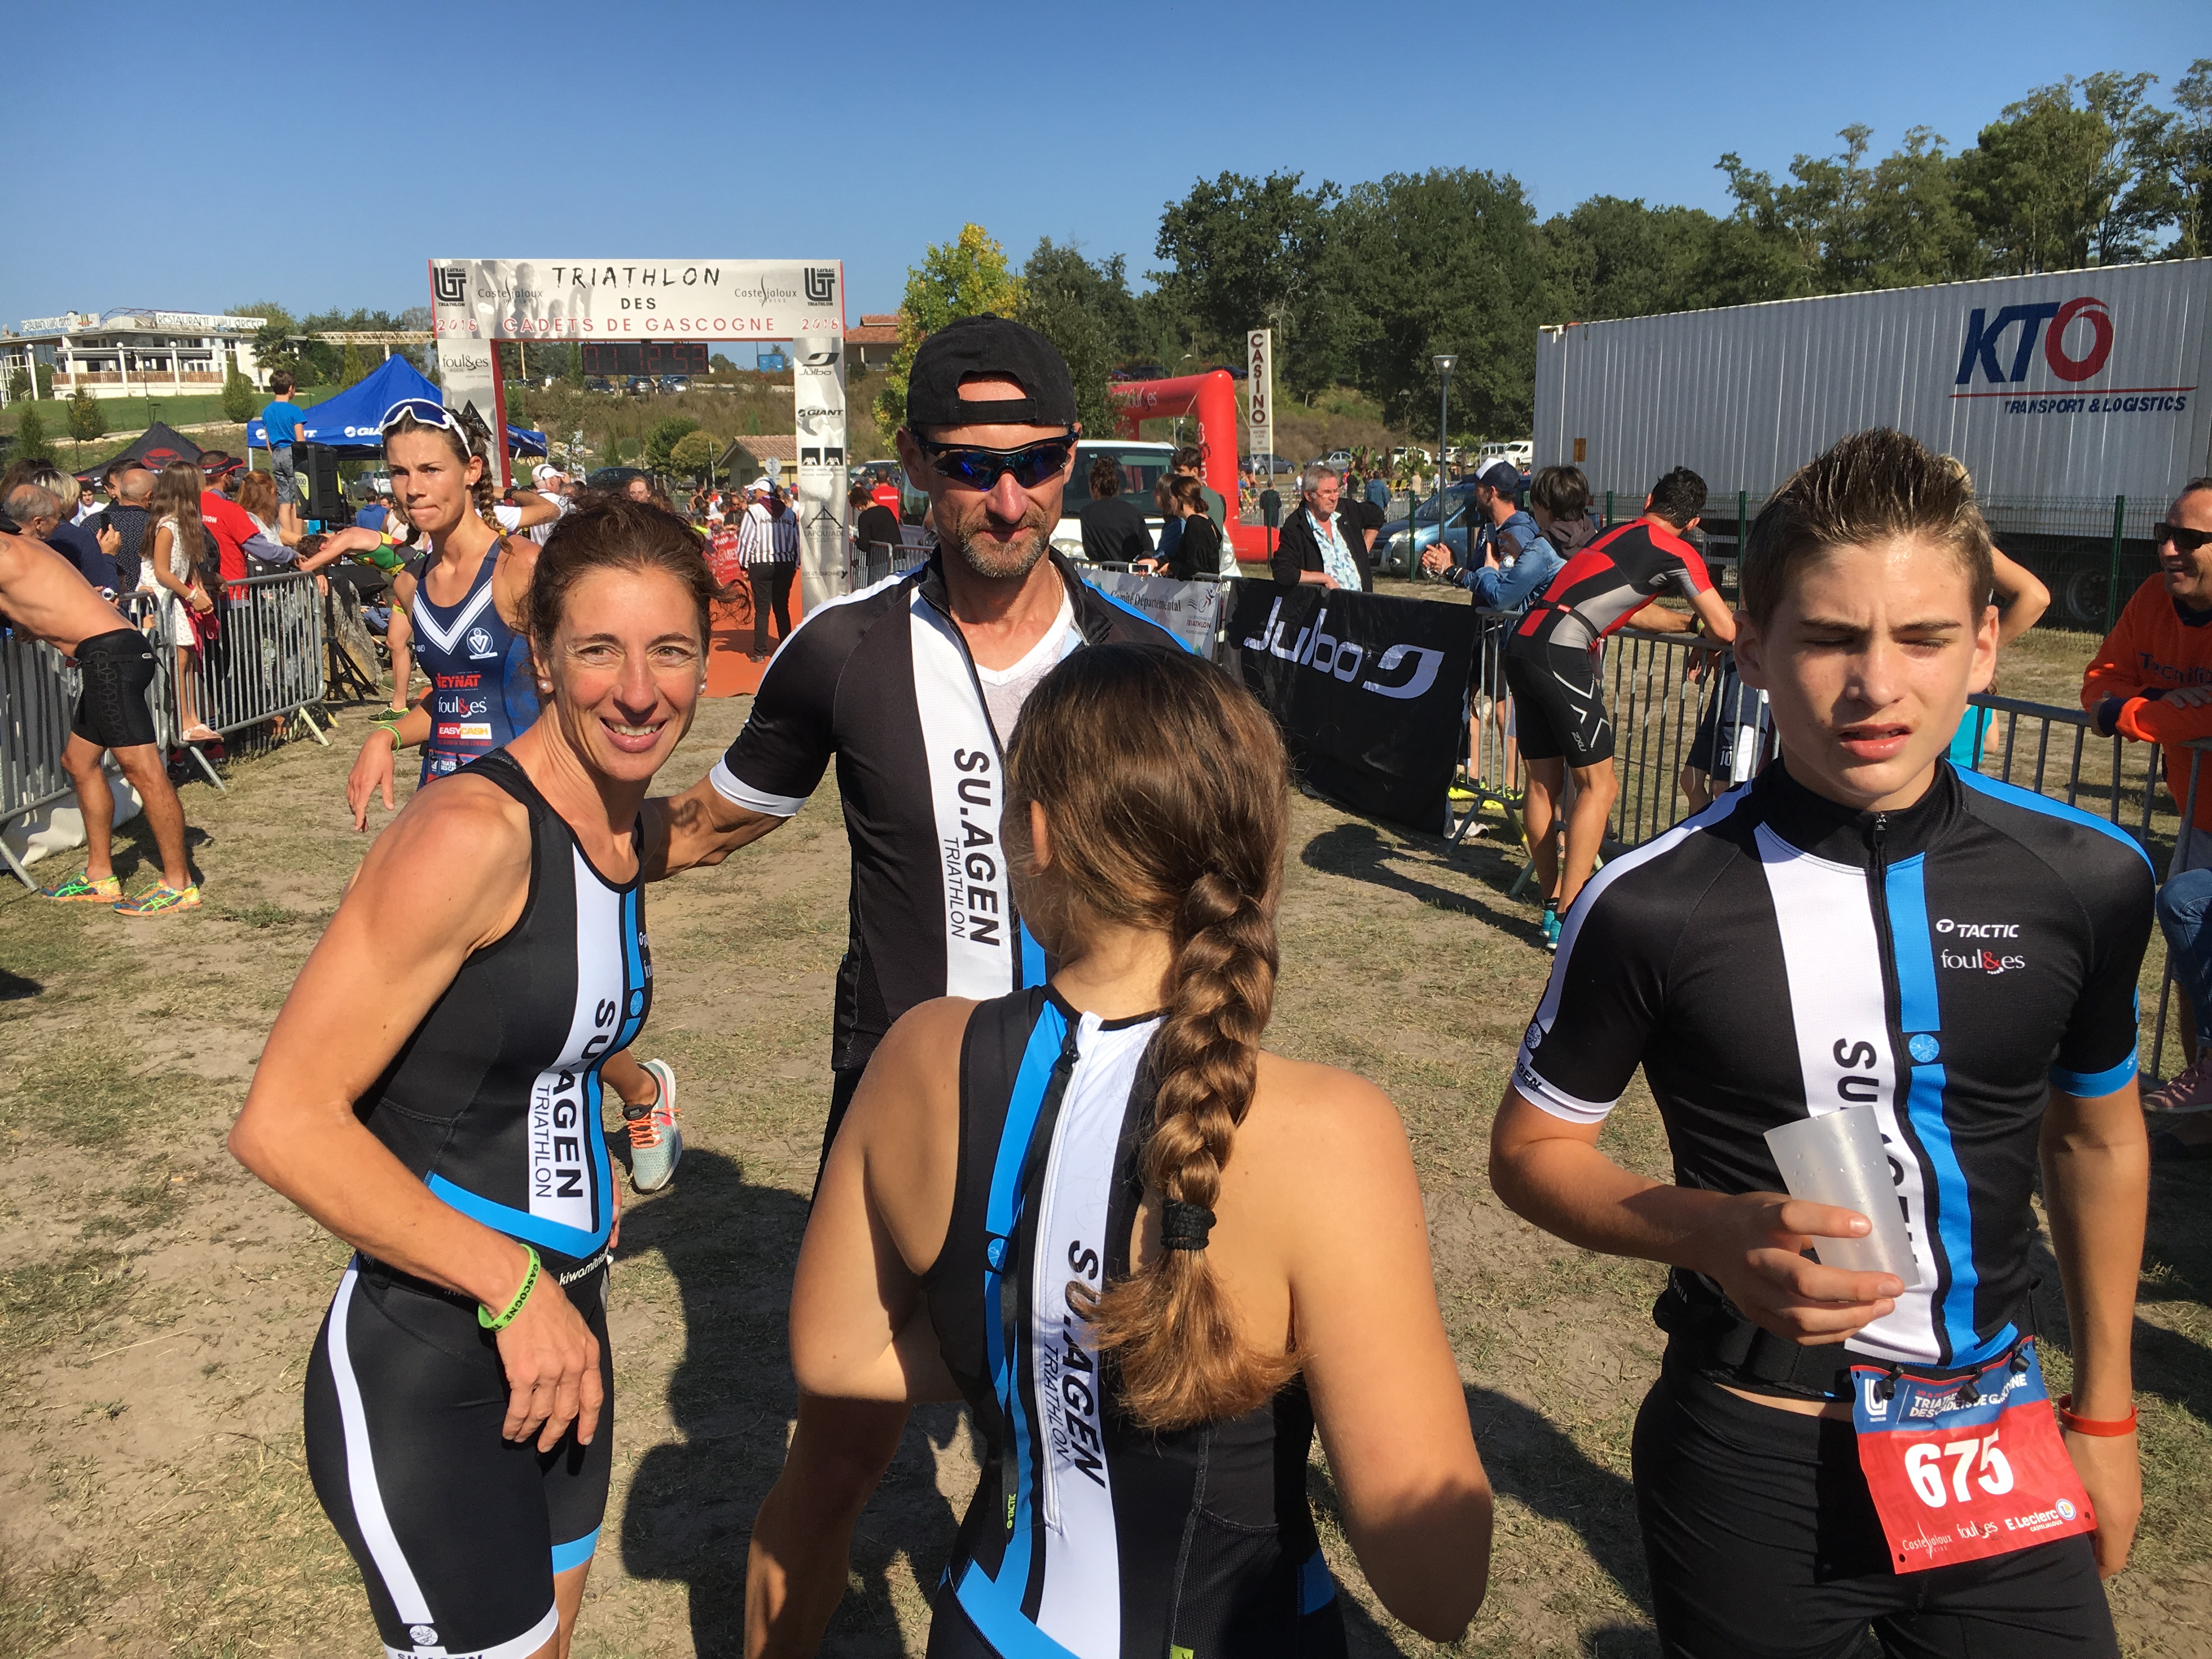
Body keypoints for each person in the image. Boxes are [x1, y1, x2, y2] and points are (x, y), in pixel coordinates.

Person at [1492, 427, 2151, 1658]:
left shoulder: (2090, 874)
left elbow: (2099, 1141)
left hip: (1997, 1444)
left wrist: (2105, 1415)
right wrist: (1706, 1228)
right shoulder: (1649, 901)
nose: (1877, 685)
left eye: (1923, 639)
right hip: (1757, 1456)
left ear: (1985, 646)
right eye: (1832, 638)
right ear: (1753, 647)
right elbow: (1529, 1153)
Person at [642, 315, 1185, 1657]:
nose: (1008, 498)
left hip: (1097, 1128)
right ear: (915, 465)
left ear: (1072, 459)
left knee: (1098, 1470)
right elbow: (704, 827)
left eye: (1037, 461)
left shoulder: (1143, 662)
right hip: (907, 1125)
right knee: (836, 1467)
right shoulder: (843, 650)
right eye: (971, 465)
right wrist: (524, 835)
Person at [791, 642, 1493, 1656]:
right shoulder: (1329, 1131)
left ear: (1035, 833)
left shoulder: (919, 1054)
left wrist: (1039, 1351)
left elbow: (835, 1350)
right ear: (1260, 846)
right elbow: (1440, 1584)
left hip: (992, 1623)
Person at [229, 499, 723, 1659]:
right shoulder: (469, 834)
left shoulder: (618, 829)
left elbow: (543, 1020)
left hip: (568, 1330)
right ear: (540, 656)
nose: (639, 691)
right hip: (441, 1350)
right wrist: (510, 1287)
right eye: (599, 650)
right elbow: (282, 1122)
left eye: (670, 650)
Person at [345, 398, 684, 1194]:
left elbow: (580, 680)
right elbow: (449, 702)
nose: (413, 488)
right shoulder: (415, 583)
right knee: (439, 977)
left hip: (536, 810)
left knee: (560, 996)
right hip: (449, 807)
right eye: (399, 473)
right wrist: (383, 736)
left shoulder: (521, 572)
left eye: (430, 470)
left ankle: (642, 1093)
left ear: (471, 472)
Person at [1505, 466, 1736, 946]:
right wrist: (1707, 628)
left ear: (1649, 500)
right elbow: (1726, 628)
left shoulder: (1615, 532)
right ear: (1694, 523)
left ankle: (1552, 907)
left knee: (1543, 785)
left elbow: (1631, 609)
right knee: (1601, 786)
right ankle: (1569, 916)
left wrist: (1687, 626)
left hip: (1525, 642)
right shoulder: (1679, 551)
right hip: (1561, 652)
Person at [2081, 476, 2212, 1137]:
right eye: (2165, 533)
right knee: (2192, 951)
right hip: (2200, 816)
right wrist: (2155, 705)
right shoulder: (2152, 600)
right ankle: (2204, 1109)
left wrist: (2137, 710)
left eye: (2189, 538)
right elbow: (2099, 686)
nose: (2168, 550)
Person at [0, 508, 199, 915]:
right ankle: (100, 876)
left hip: (111, 656)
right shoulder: (24, 545)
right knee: (78, 762)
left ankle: (179, 885)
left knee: (143, 770)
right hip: (108, 653)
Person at [142, 460, 222, 743]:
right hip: (162, 599)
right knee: (178, 661)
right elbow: (161, 572)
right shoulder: (167, 526)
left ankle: (193, 718)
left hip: (176, 597)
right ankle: (183, 721)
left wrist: (198, 584)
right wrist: (191, 596)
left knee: (188, 658)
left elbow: (187, 565)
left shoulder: (184, 524)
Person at [1423, 459, 1558, 608]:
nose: (1474, 493)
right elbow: (1478, 576)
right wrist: (1448, 568)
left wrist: (1453, 570)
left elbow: (1499, 590)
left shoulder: (1518, 534)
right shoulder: (1490, 528)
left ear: (1491, 493)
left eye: (1478, 488)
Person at [3, 467, 117, 595]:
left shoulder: (9, 542)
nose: (57, 524)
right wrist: (108, 554)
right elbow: (106, 591)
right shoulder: (79, 538)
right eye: (77, 497)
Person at [1271, 464, 1373, 592]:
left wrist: (1362, 551)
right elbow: (1283, 572)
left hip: (1360, 602)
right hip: (1326, 603)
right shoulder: (1296, 526)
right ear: (1309, 495)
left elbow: (1376, 516)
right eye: (1327, 493)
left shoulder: (1345, 510)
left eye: (1336, 491)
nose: (1334, 498)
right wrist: (1324, 578)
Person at [738, 481, 800, 661]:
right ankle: (786, 647)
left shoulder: (754, 511)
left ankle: (760, 652)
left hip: (761, 563)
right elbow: (796, 541)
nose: (754, 494)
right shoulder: (789, 513)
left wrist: (744, 563)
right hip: (785, 563)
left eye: (756, 491)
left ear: (763, 491)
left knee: (762, 608)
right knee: (782, 607)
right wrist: (795, 563)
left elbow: (746, 539)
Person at [1144, 474, 1223, 579]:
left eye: (1171, 497)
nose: (1169, 502)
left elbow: (1194, 566)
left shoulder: (1195, 523)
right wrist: (1157, 562)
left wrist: (1171, 567)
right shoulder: (1205, 520)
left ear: (1180, 499)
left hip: (1202, 587)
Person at [1077, 454, 1150, 565]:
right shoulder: (1134, 511)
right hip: (1133, 572)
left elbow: (1091, 551)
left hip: (1105, 572)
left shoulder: (1087, 513)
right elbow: (1148, 546)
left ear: (1095, 487)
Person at [259, 373, 309, 537]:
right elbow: (300, 440)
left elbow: (268, 440)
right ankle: (298, 539)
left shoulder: (267, 411)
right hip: (292, 453)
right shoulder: (295, 411)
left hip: (277, 454)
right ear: (291, 388)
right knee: (298, 500)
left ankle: (286, 538)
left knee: (284, 500)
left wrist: (274, 454)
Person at [849, 481, 901, 580]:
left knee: (878, 588)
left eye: (856, 507)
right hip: (898, 556)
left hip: (879, 560)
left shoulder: (865, 517)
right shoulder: (887, 510)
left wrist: (856, 540)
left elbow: (864, 544)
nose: (858, 509)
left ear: (859, 503)